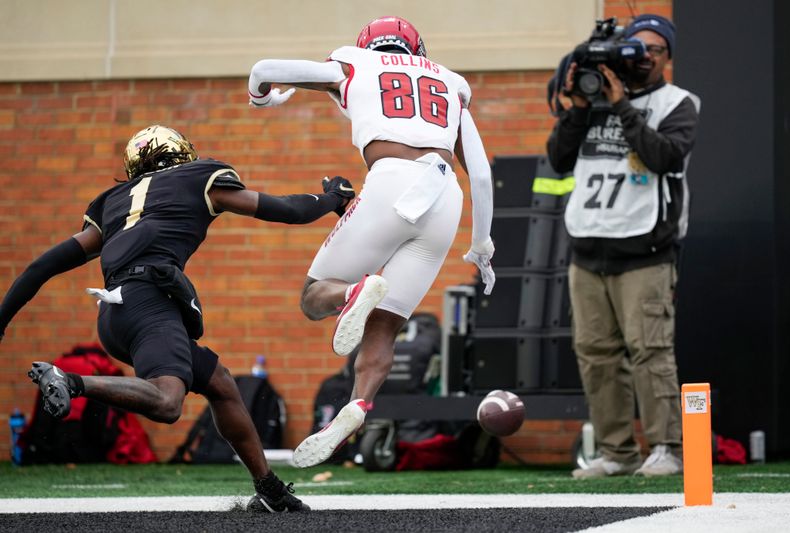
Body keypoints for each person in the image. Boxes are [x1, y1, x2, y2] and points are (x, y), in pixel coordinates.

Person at [0, 124, 355, 511]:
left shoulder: (113, 201)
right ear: (181, 154)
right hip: (150, 301)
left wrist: (1, 322)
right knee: (168, 402)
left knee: (219, 383)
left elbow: (41, 266)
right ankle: (69, 381)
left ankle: (269, 490)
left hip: (115, 315)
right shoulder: (199, 178)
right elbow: (286, 210)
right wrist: (331, 197)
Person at [247, 15, 496, 467]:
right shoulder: (451, 83)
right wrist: (481, 245)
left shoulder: (354, 61)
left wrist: (262, 97)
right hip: (447, 200)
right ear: (418, 50)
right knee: (385, 324)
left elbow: (264, 68)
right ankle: (359, 404)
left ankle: (353, 291)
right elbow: (479, 173)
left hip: (391, 182)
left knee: (312, 298)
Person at [546, 14, 700, 478]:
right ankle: (616, 452)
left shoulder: (679, 103)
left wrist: (621, 107)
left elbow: (663, 158)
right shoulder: (591, 99)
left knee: (650, 349)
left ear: (667, 57)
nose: (645, 55)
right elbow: (558, 160)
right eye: (638, 47)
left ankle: (667, 448)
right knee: (595, 354)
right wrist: (577, 107)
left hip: (645, 250)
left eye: (655, 48)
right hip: (589, 247)